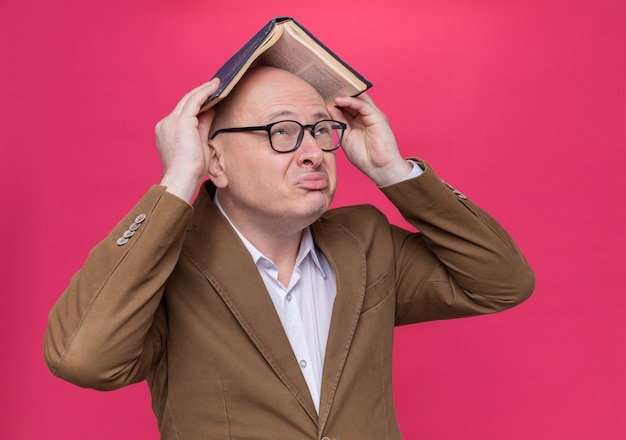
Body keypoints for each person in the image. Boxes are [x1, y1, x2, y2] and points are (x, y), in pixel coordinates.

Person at [44, 66, 534, 439]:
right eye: (281, 132)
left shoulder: (365, 240)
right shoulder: (166, 266)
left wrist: (393, 170)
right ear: (215, 159)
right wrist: (177, 181)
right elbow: (82, 359)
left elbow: (501, 282)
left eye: (322, 130)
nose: (313, 152)